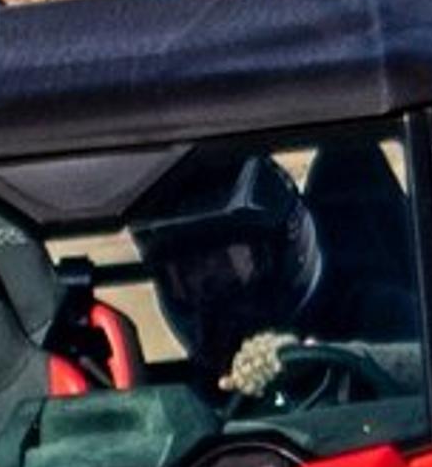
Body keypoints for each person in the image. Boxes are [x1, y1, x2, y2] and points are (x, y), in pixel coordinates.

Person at [133, 152, 416, 402]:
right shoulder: (197, 388)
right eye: (187, 276)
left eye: (227, 265)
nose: (209, 288)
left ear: (286, 250)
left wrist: (321, 360)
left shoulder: (373, 313)